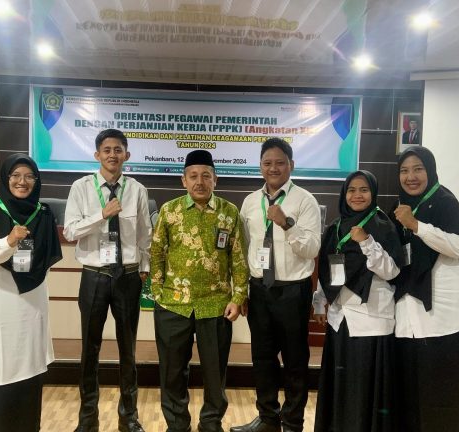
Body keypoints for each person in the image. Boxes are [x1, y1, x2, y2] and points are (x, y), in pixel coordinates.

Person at [150, 149, 249, 432]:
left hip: (216, 305)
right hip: (173, 304)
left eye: (206, 176)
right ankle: (176, 424)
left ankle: (211, 422)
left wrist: (238, 296)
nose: (199, 182)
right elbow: (156, 253)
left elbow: (238, 258)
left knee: (215, 372)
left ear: (215, 180)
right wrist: (158, 293)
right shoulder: (169, 211)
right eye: (193, 176)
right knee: (171, 371)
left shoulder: (229, 212)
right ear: (184, 181)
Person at [0, 154, 62, 432]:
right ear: (6, 179)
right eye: (16, 175)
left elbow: (46, 260)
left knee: (28, 376)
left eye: (29, 176)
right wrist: (7, 243)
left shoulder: (43, 215)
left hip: (31, 307)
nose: (22, 181)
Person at [63, 129, 152, 432]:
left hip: (128, 276)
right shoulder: (81, 187)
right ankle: (87, 420)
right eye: (107, 149)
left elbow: (145, 234)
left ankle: (129, 418)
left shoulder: (137, 189)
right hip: (94, 276)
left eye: (118, 149)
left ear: (126, 155)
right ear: (97, 155)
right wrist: (101, 215)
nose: (112, 154)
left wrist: (144, 268)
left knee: (128, 350)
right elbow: (70, 231)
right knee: (90, 351)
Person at [234, 138, 321, 432]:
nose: (273, 168)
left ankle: (293, 422)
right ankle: (268, 418)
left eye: (280, 162)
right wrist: (243, 289)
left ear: (291, 165)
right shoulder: (250, 202)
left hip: (293, 291)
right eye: (267, 163)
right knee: (262, 358)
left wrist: (287, 224)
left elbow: (312, 249)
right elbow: (245, 248)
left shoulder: (305, 201)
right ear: (260, 167)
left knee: (295, 360)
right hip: (260, 289)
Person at [390, 146, 459, 432]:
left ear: (430, 170)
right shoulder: (399, 207)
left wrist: (418, 226)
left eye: (418, 169)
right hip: (408, 317)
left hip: (442, 318)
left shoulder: (445, 201)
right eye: (404, 170)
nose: (410, 176)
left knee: (442, 396)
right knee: (410, 397)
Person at [312, 170, 403, 432]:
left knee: (363, 392)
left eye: (364, 190)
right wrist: (319, 302)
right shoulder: (336, 226)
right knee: (341, 389)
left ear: (373, 193)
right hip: (340, 319)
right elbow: (327, 268)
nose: (357, 195)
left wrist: (366, 242)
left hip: (370, 320)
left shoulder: (383, 225)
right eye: (351, 190)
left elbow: (391, 271)